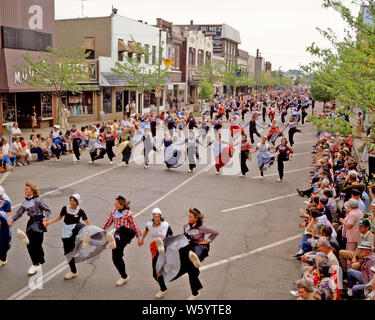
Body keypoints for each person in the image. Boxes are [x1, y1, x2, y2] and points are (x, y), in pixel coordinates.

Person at [43, 194, 100, 280]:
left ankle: (86, 239)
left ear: (77, 202)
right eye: (71, 200)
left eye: (73, 201)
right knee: (68, 253)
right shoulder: (65, 208)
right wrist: (49, 222)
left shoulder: (80, 211)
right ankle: (73, 272)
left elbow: (87, 222)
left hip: (77, 229)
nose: (71, 202)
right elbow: (59, 217)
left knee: (80, 226)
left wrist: (92, 230)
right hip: (67, 231)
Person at [10, 182, 51, 275]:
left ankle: (39, 259)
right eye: (25, 189)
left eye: (27, 189)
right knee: (29, 244)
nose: (25, 191)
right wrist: (12, 220)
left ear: (32, 191)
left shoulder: (38, 200)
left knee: (37, 244)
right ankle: (35, 264)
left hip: (39, 221)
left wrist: (45, 219)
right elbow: (19, 212)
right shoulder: (25, 202)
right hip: (31, 222)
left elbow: (48, 210)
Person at [102, 196, 143, 286]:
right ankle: (124, 276)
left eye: (116, 204)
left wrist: (140, 238)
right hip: (118, 235)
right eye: (115, 204)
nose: (115, 205)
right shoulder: (114, 212)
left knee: (121, 228)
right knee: (116, 258)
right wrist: (101, 231)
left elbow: (134, 225)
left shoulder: (128, 213)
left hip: (127, 234)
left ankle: (113, 241)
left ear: (121, 204)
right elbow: (108, 222)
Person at [139, 208, 173, 299]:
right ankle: (163, 284)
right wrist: (142, 239)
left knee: (157, 270)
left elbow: (172, 236)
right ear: (152, 217)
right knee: (154, 274)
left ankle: (163, 289)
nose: (157, 218)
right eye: (155, 217)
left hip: (163, 247)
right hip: (155, 248)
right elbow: (146, 230)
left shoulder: (165, 225)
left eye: (158, 216)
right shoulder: (149, 225)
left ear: (161, 217)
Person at [0, 186, 12, 267]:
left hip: (3, 225)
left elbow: (8, 214)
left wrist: (9, 221)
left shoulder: (7, 202)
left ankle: (3, 259)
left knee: (3, 242)